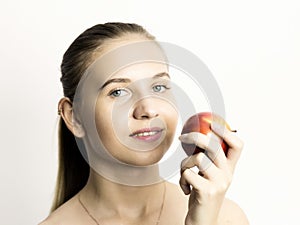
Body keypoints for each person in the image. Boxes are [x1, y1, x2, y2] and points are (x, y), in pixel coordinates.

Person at [39, 22, 249, 225]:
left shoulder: (225, 218)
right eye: (118, 92)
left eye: (158, 87)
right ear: (73, 116)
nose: (148, 110)